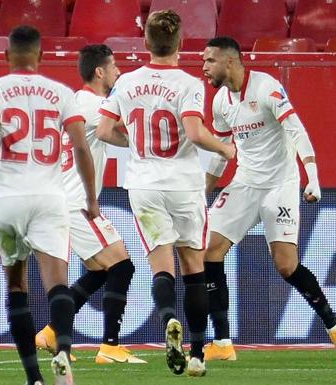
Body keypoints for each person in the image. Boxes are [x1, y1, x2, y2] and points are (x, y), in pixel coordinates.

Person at [96, 10, 236, 377]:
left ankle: (168, 318)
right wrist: (223, 148)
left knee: (161, 264)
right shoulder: (188, 84)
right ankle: (198, 354)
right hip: (184, 184)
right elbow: (193, 131)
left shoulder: (126, 83)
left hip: (144, 184)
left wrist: (136, 143)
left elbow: (103, 129)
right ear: (180, 42)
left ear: (146, 42)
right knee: (194, 266)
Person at [201, 36, 336, 362]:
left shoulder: (266, 87)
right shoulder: (220, 103)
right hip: (245, 183)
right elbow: (220, 154)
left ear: (230, 61)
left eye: (210, 61)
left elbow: (296, 130)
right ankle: (223, 343)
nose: (204, 67)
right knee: (208, 252)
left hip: (281, 184)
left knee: (286, 266)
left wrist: (312, 177)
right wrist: (203, 192)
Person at [0, 25, 99, 385]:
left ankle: (34, 377)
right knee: (57, 285)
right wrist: (92, 198)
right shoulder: (62, 93)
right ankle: (64, 355)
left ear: (7, 56)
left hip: (6, 199)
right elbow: (82, 149)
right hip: (50, 198)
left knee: (17, 286)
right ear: (40, 56)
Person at [34, 44, 145, 365]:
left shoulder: (74, 103)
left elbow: (116, 137)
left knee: (99, 270)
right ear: (100, 72)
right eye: (114, 68)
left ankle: (53, 331)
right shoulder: (96, 104)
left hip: (63, 199)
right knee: (122, 266)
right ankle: (110, 347)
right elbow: (134, 126)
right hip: (75, 203)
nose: (118, 72)